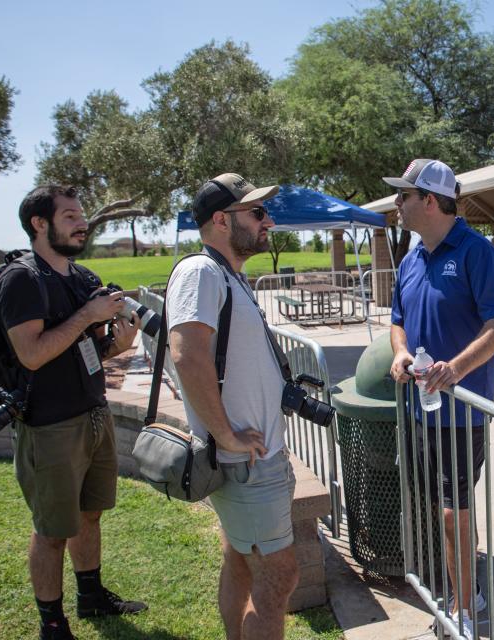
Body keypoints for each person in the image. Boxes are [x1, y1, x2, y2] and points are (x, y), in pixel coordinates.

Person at [0, 185, 145, 640]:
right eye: (69, 216)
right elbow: (33, 354)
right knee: (52, 531)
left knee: (89, 516)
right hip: (49, 426)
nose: (82, 223)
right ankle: (52, 624)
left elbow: (88, 349)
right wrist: (87, 315)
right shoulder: (21, 280)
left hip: (93, 414)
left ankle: (91, 597)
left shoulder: (81, 277)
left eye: (81, 215)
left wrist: (116, 343)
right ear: (39, 224)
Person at [166, 173, 299, 640]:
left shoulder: (228, 275)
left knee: (239, 558)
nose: (269, 221)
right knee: (280, 573)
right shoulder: (200, 272)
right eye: (258, 213)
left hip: (253, 457)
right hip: (244, 461)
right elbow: (187, 353)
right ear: (221, 220)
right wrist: (226, 437)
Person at [386, 159, 494, 640]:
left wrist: (454, 369)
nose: (398, 204)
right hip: (420, 407)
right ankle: (469, 587)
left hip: (462, 413)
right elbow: (398, 318)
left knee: (451, 511)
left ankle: (462, 607)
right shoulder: (411, 258)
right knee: (447, 508)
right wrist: (399, 352)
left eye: (404, 196)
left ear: (431, 201)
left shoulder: (478, 253)